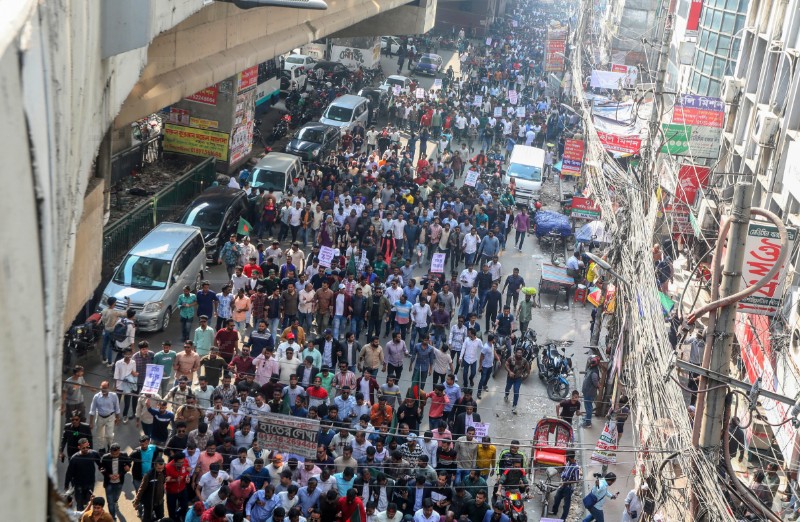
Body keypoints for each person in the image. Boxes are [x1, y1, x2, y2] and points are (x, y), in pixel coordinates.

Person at [134, 457, 167, 522]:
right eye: (159, 468)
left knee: (161, 518)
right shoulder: (148, 475)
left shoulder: (164, 472)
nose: (160, 470)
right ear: (155, 466)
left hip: (160, 502)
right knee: (147, 520)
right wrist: (136, 502)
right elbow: (141, 489)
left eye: (162, 468)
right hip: (149, 503)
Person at [550, 452, 580, 520]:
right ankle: (554, 511)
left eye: (567, 457)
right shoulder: (568, 463)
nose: (565, 458)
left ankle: (563, 519)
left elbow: (576, 480)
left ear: (569, 458)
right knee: (557, 497)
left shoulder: (576, 468)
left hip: (568, 488)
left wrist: (567, 482)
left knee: (566, 505)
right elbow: (565, 470)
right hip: (563, 484)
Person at [582, 357, 601, 428]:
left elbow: (595, 382)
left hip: (589, 393)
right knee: (587, 406)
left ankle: (588, 422)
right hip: (587, 391)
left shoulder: (594, 372)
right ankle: (587, 418)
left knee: (588, 407)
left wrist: (598, 386)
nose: (590, 364)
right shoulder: (591, 369)